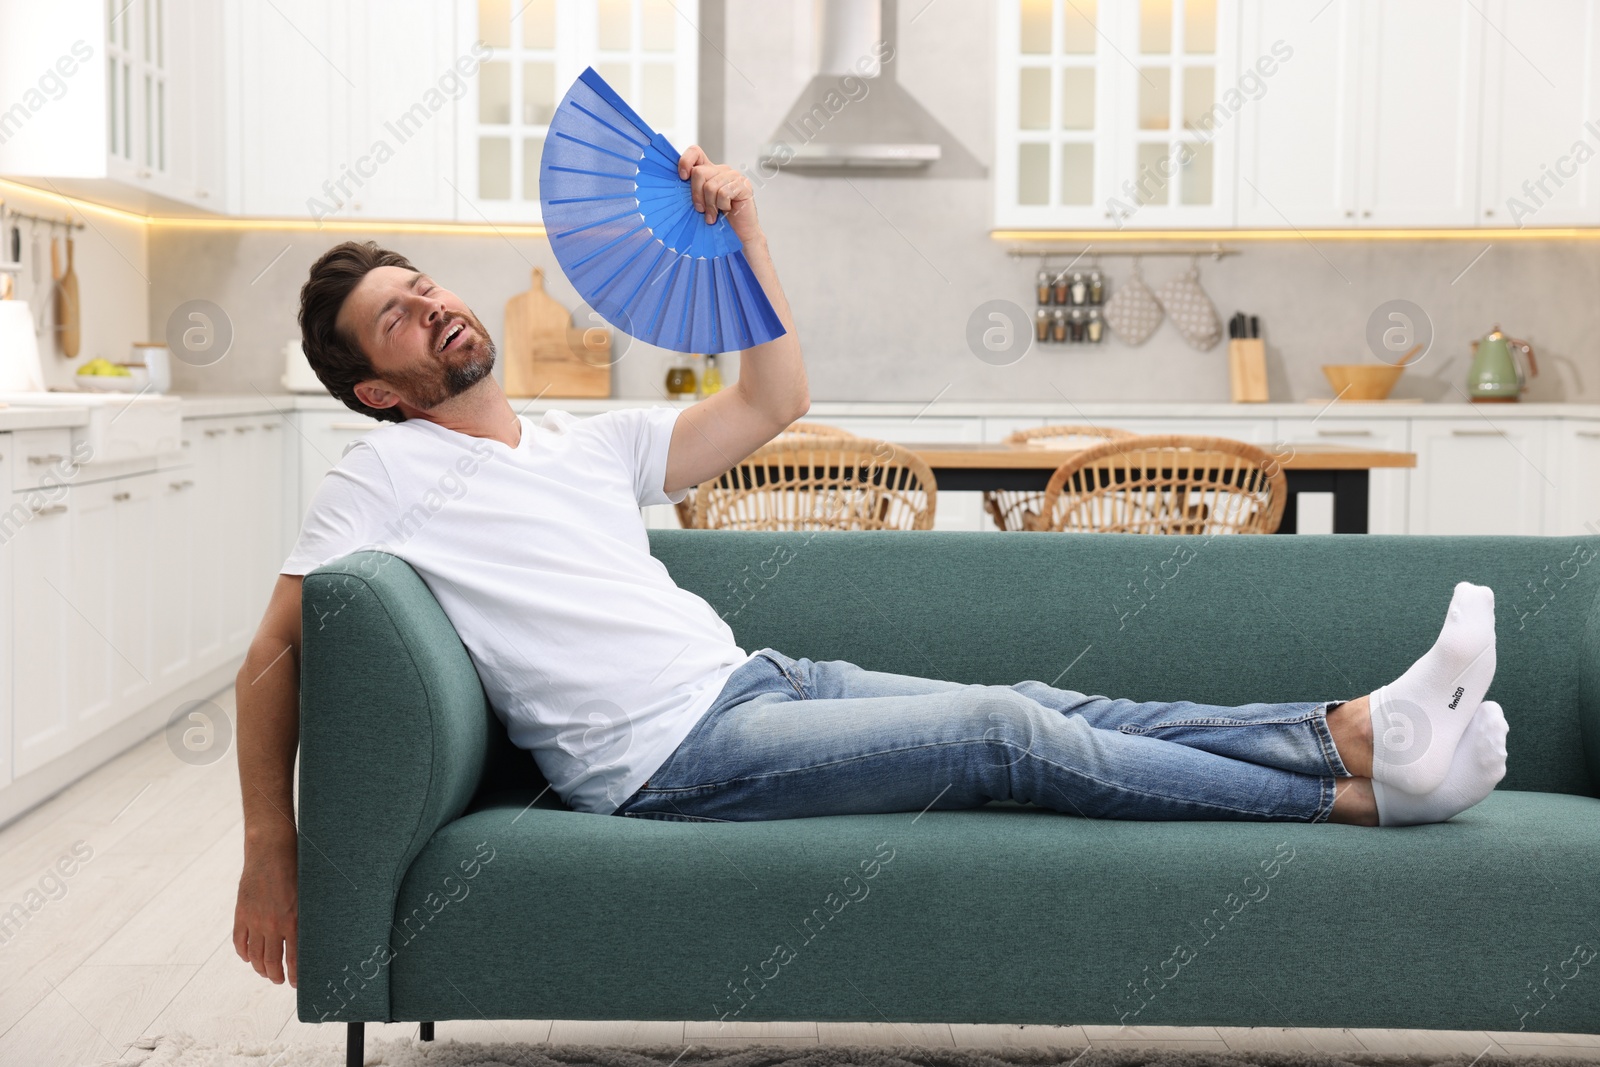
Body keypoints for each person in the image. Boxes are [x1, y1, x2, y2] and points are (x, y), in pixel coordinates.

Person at [231, 145, 1509, 990]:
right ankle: (1355, 798)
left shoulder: (584, 441)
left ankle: (1351, 732)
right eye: (397, 315)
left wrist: (744, 226)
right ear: (378, 388)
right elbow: (268, 661)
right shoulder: (385, 475)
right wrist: (271, 847)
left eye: (424, 284)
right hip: (663, 762)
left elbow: (776, 394)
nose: (435, 306)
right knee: (1001, 730)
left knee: (1051, 705)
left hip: (755, 686)